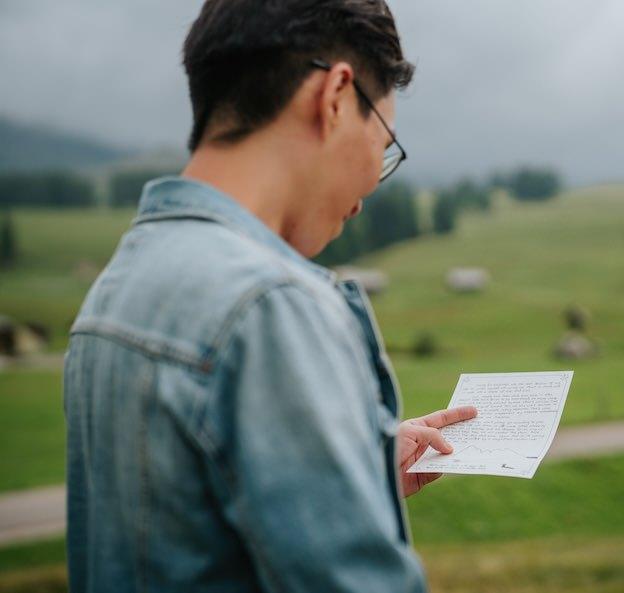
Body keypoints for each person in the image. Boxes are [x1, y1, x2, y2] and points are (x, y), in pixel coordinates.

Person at [63, 1, 476, 591]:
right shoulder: (270, 305)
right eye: (383, 142)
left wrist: (353, 464)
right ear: (335, 96)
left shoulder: (120, 284)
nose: (367, 192)